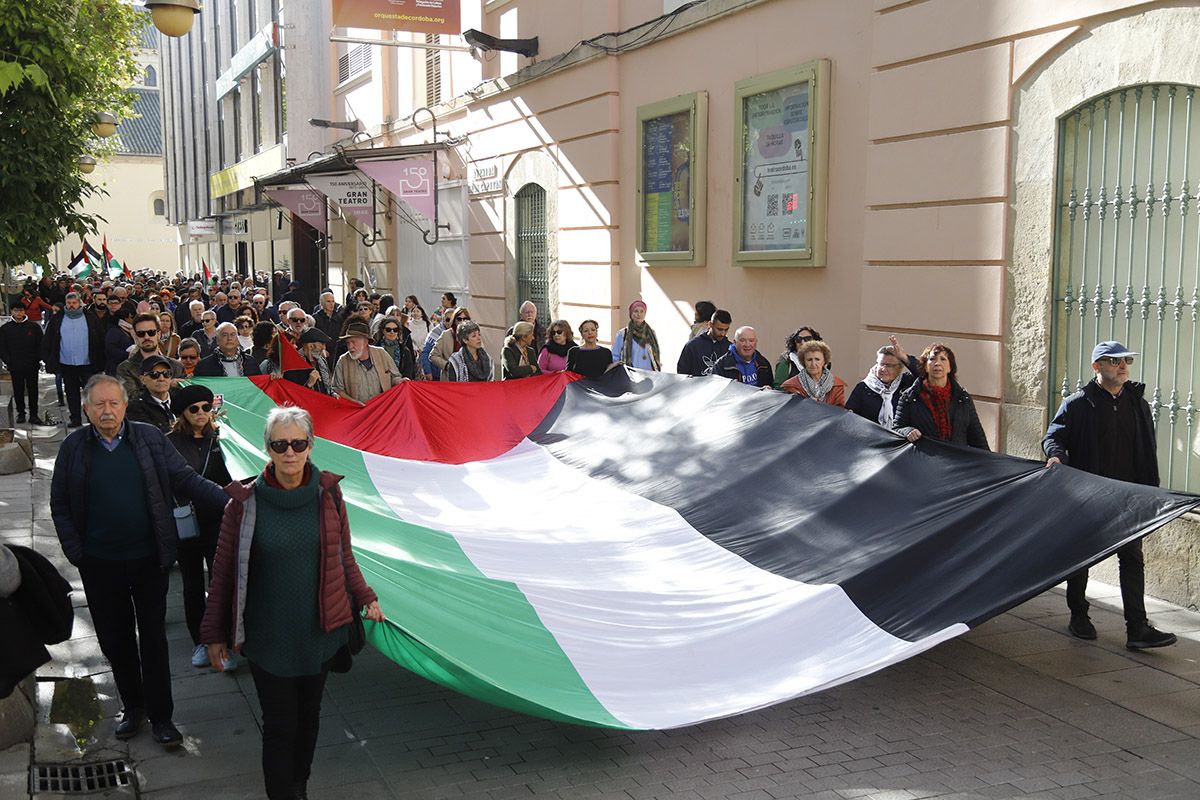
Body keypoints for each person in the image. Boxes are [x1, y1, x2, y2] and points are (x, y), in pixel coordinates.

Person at [201, 407, 384, 800]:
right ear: (267, 448)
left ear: (311, 446)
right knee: (281, 725)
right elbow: (223, 574)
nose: (289, 452)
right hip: (269, 639)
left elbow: (344, 556)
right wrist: (214, 633)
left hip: (319, 633)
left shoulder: (330, 495)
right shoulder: (243, 504)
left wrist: (366, 596)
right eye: (280, 444)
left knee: (309, 719)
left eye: (297, 443)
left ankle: (298, 787)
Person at [51, 374, 229, 749]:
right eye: (98, 404)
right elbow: (61, 504)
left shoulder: (148, 439)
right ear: (85, 409)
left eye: (113, 403)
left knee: (153, 640)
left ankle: (163, 717)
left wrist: (233, 502)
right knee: (115, 641)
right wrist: (75, 551)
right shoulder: (73, 448)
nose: (107, 410)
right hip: (99, 564)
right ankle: (133, 708)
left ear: (125, 406)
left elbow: (184, 479)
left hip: (148, 560)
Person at [1043, 341, 1176, 650]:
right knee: (1082, 557)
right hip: (1087, 496)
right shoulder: (1077, 404)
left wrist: (1149, 490)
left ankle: (1137, 628)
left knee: (1131, 558)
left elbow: (1147, 450)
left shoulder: (1137, 404)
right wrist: (1057, 455)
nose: (1123, 365)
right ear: (1097, 367)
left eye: (1126, 360)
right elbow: (1053, 436)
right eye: (1115, 360)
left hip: (1129, 497)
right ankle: (1079, 615)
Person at [166, 384, 233, 670]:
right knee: (192, 585)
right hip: (185, 523)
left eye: (206, 407)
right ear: (183, 412)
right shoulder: (168, 442)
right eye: (194, 409)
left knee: (220, 585)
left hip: (218, 522)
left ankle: (224, 643)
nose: (202, 413)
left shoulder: (222, 439)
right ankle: (200, 642)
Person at [892, 342, 989, 449]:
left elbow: (977, 438)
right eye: (932, 359)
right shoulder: (910, 397)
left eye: (943, 359)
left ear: (950, 368)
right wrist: (907, 431)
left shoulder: (963, 398)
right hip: (924, 461)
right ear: (925, 366)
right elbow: (897, 429)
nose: (937, 363)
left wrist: (991, 463)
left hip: (956, 461)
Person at [42, 292, 105, 428]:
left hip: (87, 363)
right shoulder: (58, 319)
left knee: (90, 393)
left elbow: (100, 338)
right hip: (67, 363)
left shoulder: (90, 318)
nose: (71, 306)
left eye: (74, 303)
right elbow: (49, 339)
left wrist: (100, 360)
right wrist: (49, 359)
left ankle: (91, 418)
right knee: (71, 393)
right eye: (69, 303)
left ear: (79, 303)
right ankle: (75, 418)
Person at [845, 337, 921, 428]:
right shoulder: (864, 387)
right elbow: (848, 417)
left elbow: (926, 375)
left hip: (902, 439)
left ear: (900, 368)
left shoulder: (907, 383)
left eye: (889, 366)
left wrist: (905, 358)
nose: (883, 369)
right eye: (881, 364)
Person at [332, 319, 404, 403]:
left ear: (365, 341)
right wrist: (354, 402)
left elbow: (394, 377)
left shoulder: (381, 353)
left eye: (353, 342)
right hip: (358, 411)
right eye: (348, 343)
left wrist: (400, 381)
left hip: (382, 409)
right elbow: (337, 389)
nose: (350, 346)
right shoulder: (343, 361)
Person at [117, 313, 184, 400]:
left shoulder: (177, 367)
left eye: (151, 332)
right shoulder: (125, 368)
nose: (146, 337)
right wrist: (166, 384)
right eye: (141, 333)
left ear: (158, 334)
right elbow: (131, 399)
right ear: (136, 337)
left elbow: (183, 399)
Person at [0, 304, 44, 425]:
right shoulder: (5, 328)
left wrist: (38, 357)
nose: (19, 313)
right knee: (18, 390)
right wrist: (8, 360)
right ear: (12, 312)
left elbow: (40, 344)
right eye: (16, 311)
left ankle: (34, 415)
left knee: (33, 390)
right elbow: (2, 347)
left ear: (24, 311)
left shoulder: (33, 327)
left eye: (21, 310)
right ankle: (21, 413)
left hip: (32, 364)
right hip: (15, 365)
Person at [780, 340, 848, 406]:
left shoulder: (836, 385)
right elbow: (792, 411)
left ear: (824, 362)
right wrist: (806, 404)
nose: (813, 364)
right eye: (809, 360)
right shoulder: (792, 385)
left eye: (817, 359)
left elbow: (839, 411)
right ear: (803, 362)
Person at [125, 355, 178, 434]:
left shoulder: (180, 398)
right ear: (142, 379)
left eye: (166, 373)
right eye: (154, 374)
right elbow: (151, 435)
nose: (161, 378)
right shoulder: (135, 407)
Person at [677, 309, 732, 377]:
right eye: (719, 329)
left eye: (726, 329)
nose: (723, 334)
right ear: (710, 325)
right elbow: (682, 374)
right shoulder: (692, 346)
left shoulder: (730, 349)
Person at [194, 322, 262, 377]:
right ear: (217, 340)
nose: (229, 338)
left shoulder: (250, 362)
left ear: (238, 339)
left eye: (233, 334)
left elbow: (259, 385)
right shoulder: (204, 365)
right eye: (224, 335)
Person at [612, 300, 660, 371]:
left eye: (642, 311)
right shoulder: (623, 334)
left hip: (649, 375)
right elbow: (615, 356)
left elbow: (655, 356)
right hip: (630, 375)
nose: (639, 314)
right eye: (636, 311)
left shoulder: (651, 333)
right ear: (631, 313)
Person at [428, 307, 471, 377]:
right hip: (449, 378)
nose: (462, 321)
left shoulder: (473, 335)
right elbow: (432, 355)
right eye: (459, 319)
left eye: (465, 319)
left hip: (468, 379)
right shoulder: (446, 334)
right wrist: (447, 365)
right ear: (454, 320)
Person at [290, 329, 335, 394]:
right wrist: (309, 384)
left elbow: (327, 385)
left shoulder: (322, 361)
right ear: (310, 346)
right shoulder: (294, 363)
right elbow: (293, 393)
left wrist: (332, 393)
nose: (324, 348)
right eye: (322, 344)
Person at [104, 307, 136, 376]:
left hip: (126, 367)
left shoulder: (130, 331)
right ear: (125, 319)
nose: (132, 319)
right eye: (130, 317)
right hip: (115, 368)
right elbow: (110, 348)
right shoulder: (114, 331)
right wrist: (127, 354)